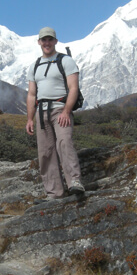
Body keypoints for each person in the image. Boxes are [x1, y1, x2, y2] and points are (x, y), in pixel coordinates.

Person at [25, 27, 85, 202]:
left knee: (65, 142)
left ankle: (74, 182)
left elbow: (74, 88)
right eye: (43, 40)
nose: (47, 43)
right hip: (41, 112)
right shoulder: (34, 66)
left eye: (50, 39)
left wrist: (67, 110)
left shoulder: (66, 61)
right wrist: (29, 118)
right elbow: (31, 94)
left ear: (55, 41)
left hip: (60, 108)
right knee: (45, 152)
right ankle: (54, 193)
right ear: (39, 42)